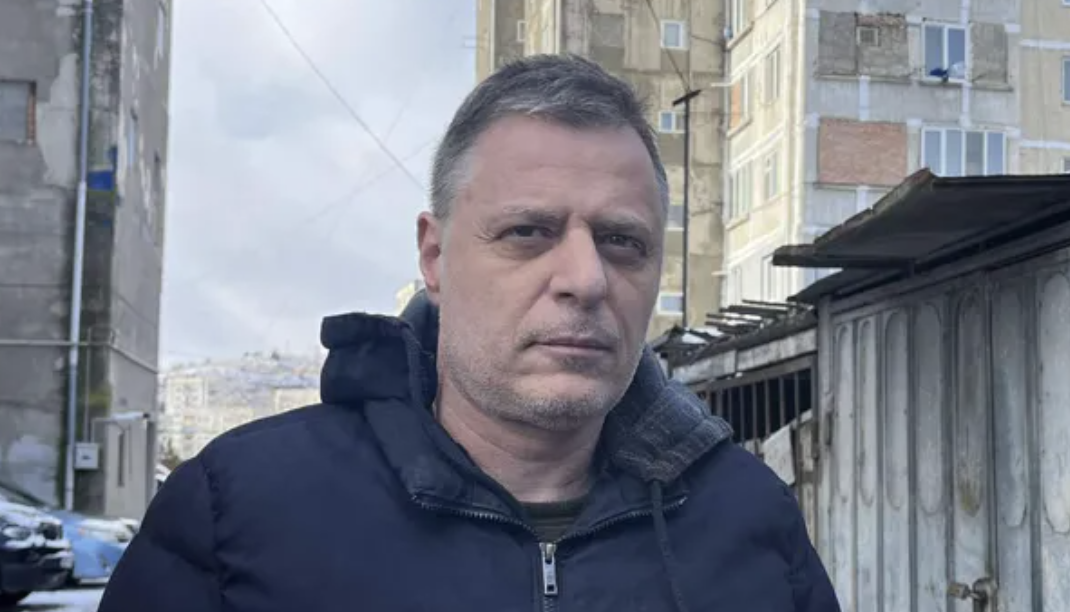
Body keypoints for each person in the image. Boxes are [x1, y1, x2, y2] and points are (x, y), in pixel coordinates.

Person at [99, 54, 839, 612]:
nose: (586, 278)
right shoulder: (240, 514)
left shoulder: (750, 519)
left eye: (622, 242)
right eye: (527, 232)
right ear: (434, 257)